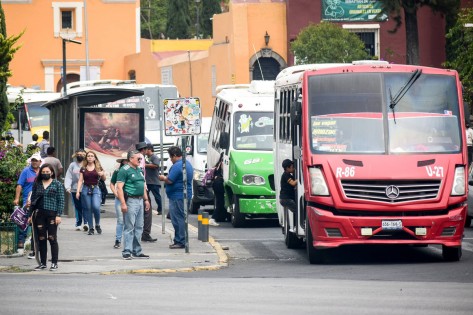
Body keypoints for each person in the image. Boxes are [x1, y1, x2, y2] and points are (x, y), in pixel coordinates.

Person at [28, 163, 64, 271]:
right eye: (43, 172)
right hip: (39, 214)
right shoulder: (37, 184)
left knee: (52, 238)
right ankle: (43, 263)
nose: (45, 174)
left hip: (52, 214)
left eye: (47, 172)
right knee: (41, 238)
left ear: (52, 172)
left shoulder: (57, 184)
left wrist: (58, 215)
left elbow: (61, 200)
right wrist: (30, 215)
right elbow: (33, 200)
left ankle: (54, 262)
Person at [116, 150, 150, 260]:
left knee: (139, 226)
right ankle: (127, 251)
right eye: (138, 159)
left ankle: (137, 251)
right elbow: (119, 188)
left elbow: (143, 185)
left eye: (141, 159)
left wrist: (146, 200)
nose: (140, 161)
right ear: (131, 159)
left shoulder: (139, 170)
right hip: (130, 200)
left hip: (140, 200)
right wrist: (123, 203)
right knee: (129, 227)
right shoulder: (124, 170)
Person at [159, 146, 193, 249]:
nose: (170, 159)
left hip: (178, 196)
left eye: (171, 157)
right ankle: (179, 240)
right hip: (181, 195)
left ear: (174, 156)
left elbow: (170, 180)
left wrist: (162, 177)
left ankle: (180, 240)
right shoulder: (186, 163)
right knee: (180, 218)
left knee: (178, 219)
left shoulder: (178, 166)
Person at [13, 152, 42, 254]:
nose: (34, 162)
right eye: (33, 160)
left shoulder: (42, 172)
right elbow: (19, 185)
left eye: (36, 161)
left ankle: (34, 245)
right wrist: (17, 198)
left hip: (39, 201)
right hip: (27, 201)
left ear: (40, 162)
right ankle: (20, 243)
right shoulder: (26, 171)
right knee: (24, 222)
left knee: (37, 222)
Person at [76, 151, 106, 235]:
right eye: (88, 156)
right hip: (86, 188)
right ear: (86, 158)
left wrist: (102, 174)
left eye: (91, 156)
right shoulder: (83, 168)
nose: (90, 157)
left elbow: (104, 179)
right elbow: (80, 180)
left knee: (96, 207)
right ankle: (91, 227)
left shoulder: (98, 167)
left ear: (94, 158)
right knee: (88, 208)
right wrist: (78, 191)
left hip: (95, 188)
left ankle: (97, 224)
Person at [136, 141, 157, 242]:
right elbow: (140, 173)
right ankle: (145, 233)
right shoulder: (141, 157)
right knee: (147, 210)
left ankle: (140, 233)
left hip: (136, 187)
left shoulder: (135, 156)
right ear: (144, 150)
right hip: (141, 187)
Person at [64, 149, 88, 231]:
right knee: (78, 207)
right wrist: (67, 187)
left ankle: (86, 223)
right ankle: (78, 223)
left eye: (81, 154)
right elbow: (68, 176)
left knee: (86, 206)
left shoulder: (87, 165)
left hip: (85, 189)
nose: (80, 155)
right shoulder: (72, 165)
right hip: (74, 189)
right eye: (78, 154)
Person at [109, 153, 128, 249]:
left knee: (130, 221)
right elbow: (112, 183)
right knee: (120, 220)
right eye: (125, 160)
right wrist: (115, 193)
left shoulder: (135, 170)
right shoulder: (118, 171)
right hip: (120, 198)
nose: (126, 162)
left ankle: (128, 240)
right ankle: (118, 239)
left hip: (130, 197)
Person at [145, 143, 163, 215]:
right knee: (145, 195)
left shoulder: (154, 157)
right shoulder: (147, 157)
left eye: (146, 149)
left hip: (154, 181)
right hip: (147, 181)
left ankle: (160, 209)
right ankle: (147, 208)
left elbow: (156, 165)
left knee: (157, 196)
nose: (145, 151)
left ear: (149, 149)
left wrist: (145, 165)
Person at [209, 152, 225, 226]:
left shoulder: (218, 164)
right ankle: (213, 218)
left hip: (216, 183)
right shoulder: (222, 164)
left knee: (220, 201)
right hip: (218, 183)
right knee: (220, 202)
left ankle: (220, 217)